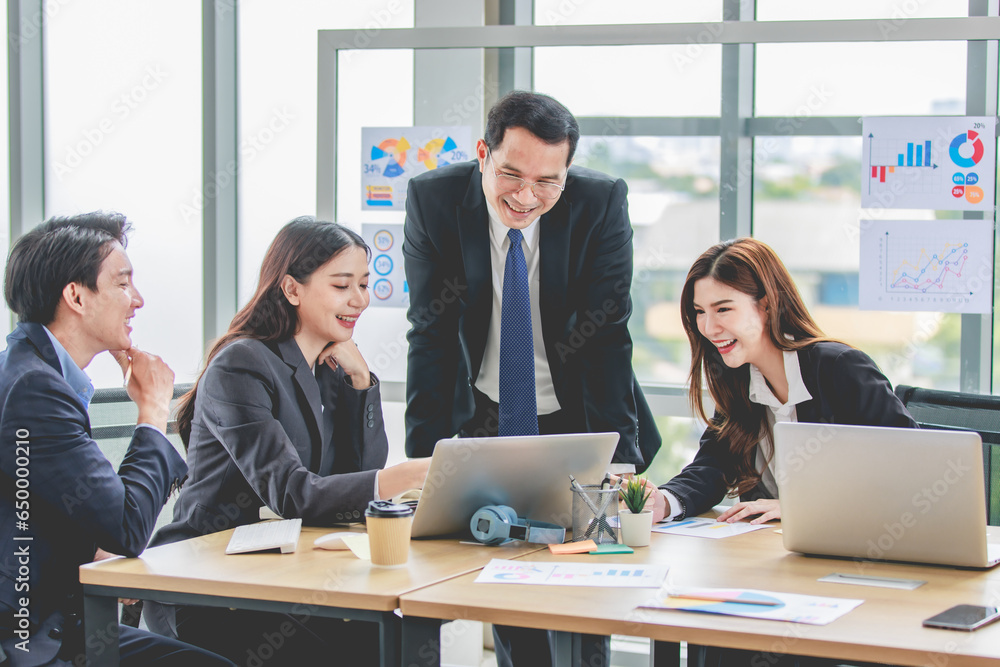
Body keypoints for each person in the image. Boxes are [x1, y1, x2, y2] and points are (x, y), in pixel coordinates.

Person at [403, 90, 659, 667]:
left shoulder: (598, 202)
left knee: (589, 567)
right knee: (504, 564)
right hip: (488, 410)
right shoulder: (435, 199)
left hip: (579, 411)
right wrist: (424, 460)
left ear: (567, 169)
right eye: (511, 174)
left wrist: (619, 454)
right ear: (482, 155)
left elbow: (607, 335)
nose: (526, 196)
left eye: (548, 181)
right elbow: (431, 336)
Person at [143, 217, 429, 666]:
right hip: (208, 580)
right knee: (366, 649)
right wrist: (410, 475)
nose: (358, 300)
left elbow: (353, 476)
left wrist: (361, 383)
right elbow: (293, 493)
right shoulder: (243, 364)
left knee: (398, 637)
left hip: (284, 569)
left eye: (364, 284)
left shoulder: (328, 366)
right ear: (292, 289)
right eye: (341, 285)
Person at [643, 238, 917, 667]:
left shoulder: (840, 369)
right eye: (699, 312)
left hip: (848, 573)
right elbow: (713, 465)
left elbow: (909, 473)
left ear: (766, 305)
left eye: (723, 309)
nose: (708, 327)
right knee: (709, 629)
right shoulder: (739, 380)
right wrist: (661, 500)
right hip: (772, 568)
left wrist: (799, 507)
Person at [0, 212, 234, 666]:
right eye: (123, 284)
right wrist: (153, 411)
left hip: (63, 619)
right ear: (76, 296)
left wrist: (95, 541)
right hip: (30, 638)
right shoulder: (35, 388)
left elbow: (60, 508)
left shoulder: (35, 370)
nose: (138, 300)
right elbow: (126, 528)